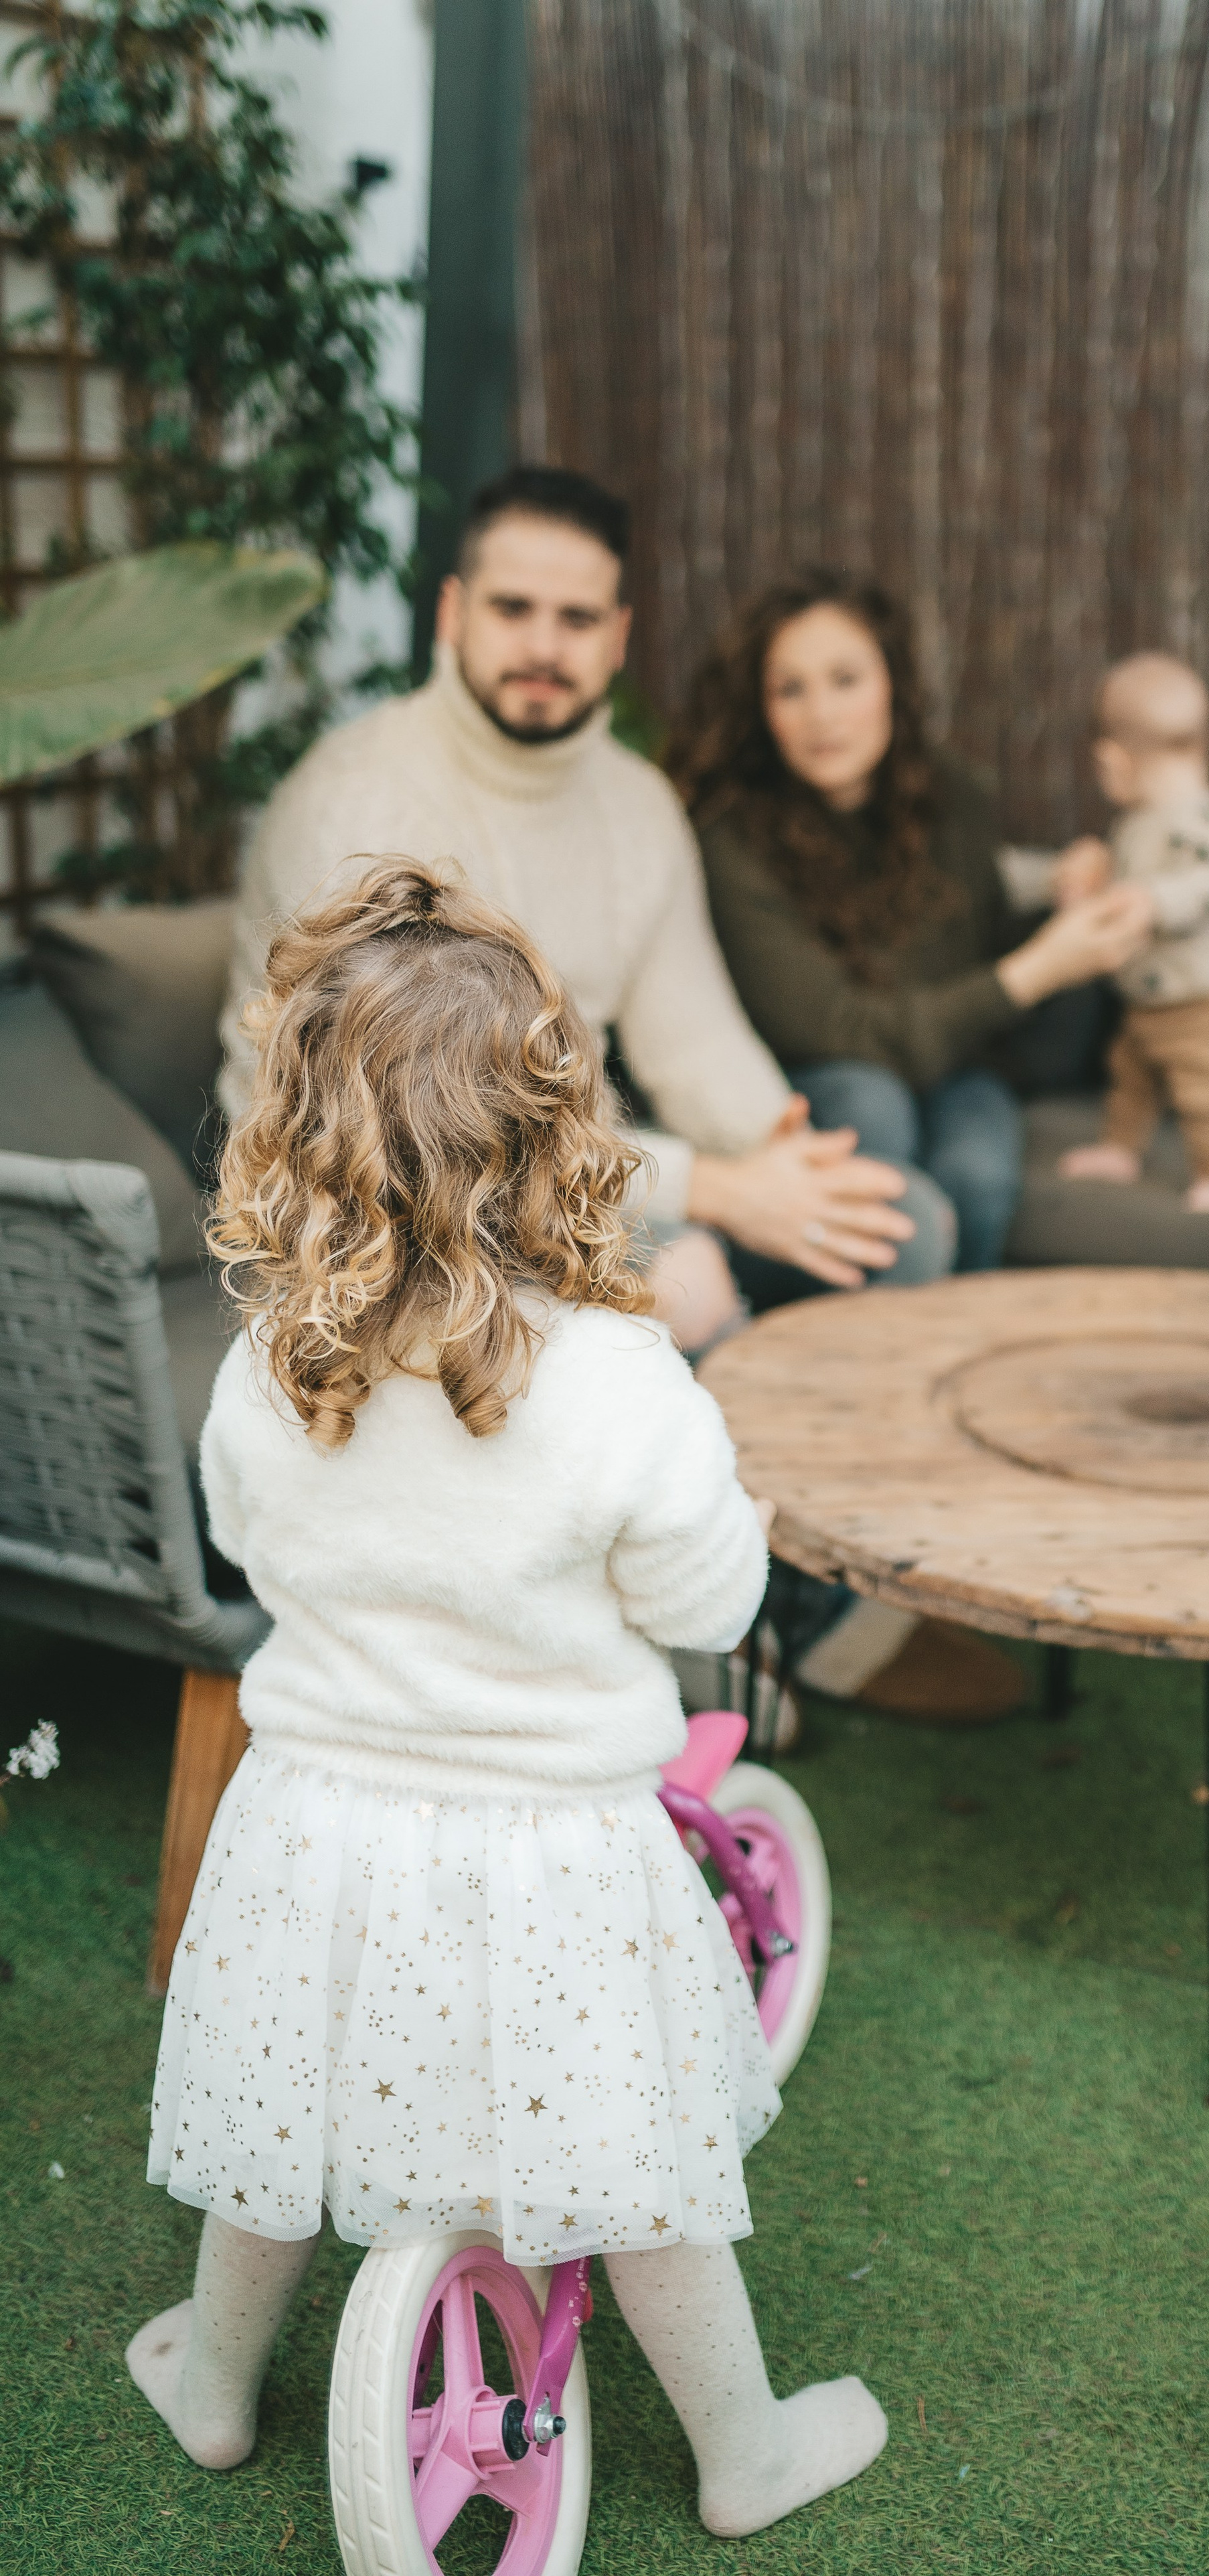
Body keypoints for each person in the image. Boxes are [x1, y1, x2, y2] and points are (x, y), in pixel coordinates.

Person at [128, 862, 888, 2540]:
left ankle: (212, 2383)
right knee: (635, 2172)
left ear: (302, 1126)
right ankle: (741, 2448)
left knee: (282, 2125)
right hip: (556, 1854)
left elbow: (253, 1553)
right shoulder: (622, 1377)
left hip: (314, 1828)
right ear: (558, 1123)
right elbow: (706, 1602)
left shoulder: (273, 1365)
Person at [219, 467, 929, 1359]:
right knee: (685, 1280)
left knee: (903, 1224)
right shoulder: (362, 804)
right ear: (453, 615)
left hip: (575, 1183)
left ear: (619, 635)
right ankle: (737, 1488)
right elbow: (415, 1134)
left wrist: (778, 1153)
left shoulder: (637, 805)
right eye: (513, 609)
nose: (544, 646)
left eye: (578, 619)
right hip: (372, 1211)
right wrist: (709, 1187)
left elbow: (694, 1038)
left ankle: (854, 1473)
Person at [671, 567, 1155, 1281]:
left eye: (846, 678)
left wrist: (1074, 900)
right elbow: (843, 1029)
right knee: (874, 1103)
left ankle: (947, 1349)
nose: (822, 715)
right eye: (790, 689)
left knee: (979, 1171)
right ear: (759, 709)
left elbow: (982, 951)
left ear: (891, 681)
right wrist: (1041, 966)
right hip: (822, 1071)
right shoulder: (729, 838)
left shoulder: (949, 792)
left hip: (953, 1063)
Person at [1056, 653, 1209, 1211]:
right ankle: (1120, 1147)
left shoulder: (1208, 825)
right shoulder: (1141, 823)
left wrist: (1152, 900)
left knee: (1204, 1095)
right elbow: (1137, 878)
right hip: (1149, 1001)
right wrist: (1087, 879)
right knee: (1130, 1077)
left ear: (1113, 760)